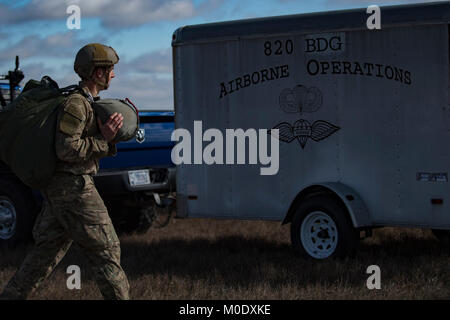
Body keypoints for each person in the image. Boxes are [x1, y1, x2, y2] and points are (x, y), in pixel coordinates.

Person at [0, 43, 130, 300]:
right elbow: (66, 149)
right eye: (109, 69)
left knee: (44, 254)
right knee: (107, 251)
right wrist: (104, 141)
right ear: (97, 72)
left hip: (62, 190)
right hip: (74, 188)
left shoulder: (88, 102)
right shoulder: (76, 104)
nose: (113, 74)